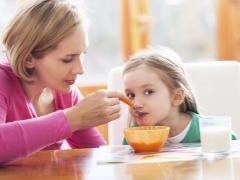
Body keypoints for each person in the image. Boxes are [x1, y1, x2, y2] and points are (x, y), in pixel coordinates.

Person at [0, 0, 124, 165]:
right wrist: (73, 118)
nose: (80, 70)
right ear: (29, 58)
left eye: (82, 53)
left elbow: (99, 155)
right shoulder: (3, 81)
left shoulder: (66, 94)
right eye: (67, 59)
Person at [122, 46, 237, 145]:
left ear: (177, 97)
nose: (136, 104)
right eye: (131, 95)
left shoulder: (209, 130)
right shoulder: (133, 137)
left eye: (148, 92)